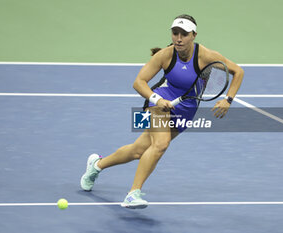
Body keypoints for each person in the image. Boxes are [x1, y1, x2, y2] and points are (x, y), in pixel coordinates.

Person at [80, 14, 244, 209]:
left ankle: (96, 166)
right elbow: (138, 82)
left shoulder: (206, 56)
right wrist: (158, 99)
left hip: (186, 111)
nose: (179, 38)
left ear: (194, 35)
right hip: (158, 103)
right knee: (161, 144)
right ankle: (133, 194)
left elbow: (238, 71)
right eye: (175, 33)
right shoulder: (165, 55)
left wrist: (228, 99)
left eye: (184, 34)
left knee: (138, 151)